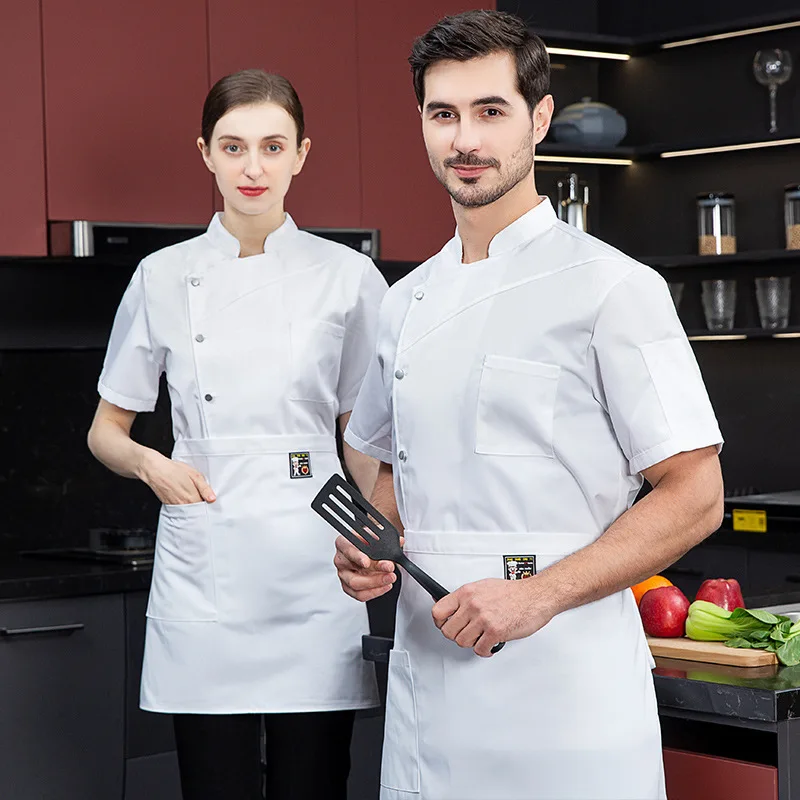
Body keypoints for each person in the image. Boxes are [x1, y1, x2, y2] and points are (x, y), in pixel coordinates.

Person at [334, 11, 724, 800]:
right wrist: (372, 546)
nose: (465, 140)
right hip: (430, 700)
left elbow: (697, 496)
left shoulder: (615, 288)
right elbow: (385, 465)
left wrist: (537, 595)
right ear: (422, 125)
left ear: (539, 119)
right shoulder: (403, 303)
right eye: (443, 114)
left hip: (568, 704)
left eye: (490, 111)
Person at [88, 68, 386, 800]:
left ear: (301, 155)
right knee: (212, 781)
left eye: (272, 146)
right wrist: (154, 468)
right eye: (234, 146)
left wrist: (384, 535)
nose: (253, 167)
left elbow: (366, 435)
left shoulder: (349, 279)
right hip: (207, 541)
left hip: (314, 555)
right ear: (206, 154)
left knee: (315, 781)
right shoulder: (162, 276)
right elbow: (106, 431)